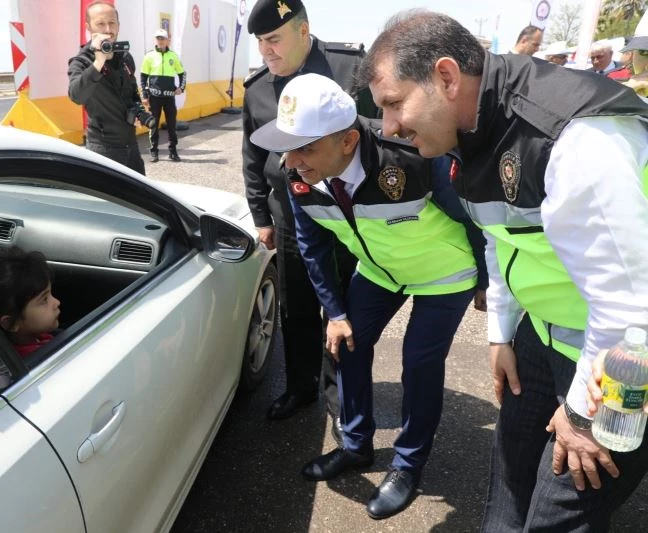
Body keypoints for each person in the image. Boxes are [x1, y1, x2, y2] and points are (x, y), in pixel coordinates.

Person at [359, 9, 648, 531]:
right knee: (506, 499)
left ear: (447, 77)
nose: (389, 127)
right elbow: (502, 237)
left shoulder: (571, 138)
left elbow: (632, 306)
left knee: (557, 517)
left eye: (394, 104)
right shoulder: (473, 128)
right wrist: (501, 333)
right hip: (544, 334)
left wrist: (584, 413)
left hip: (627, 359)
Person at [250, 72, 487, 519]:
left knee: (418, 362)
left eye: (306, 146)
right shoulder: (299, 176)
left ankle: (407, 464)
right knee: (346, 344)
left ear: (347, 142)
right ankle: (356, 445)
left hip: (443, 273)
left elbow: (474, 217)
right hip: (380, 271)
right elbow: (313, 245)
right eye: (288, 145)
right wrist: (336, 311)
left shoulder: (414, 158)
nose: (294, 159)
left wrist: (486, 281)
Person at [242, 0, 377, 441]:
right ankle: (300, 388)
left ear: (303, 31)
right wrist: (261, 215)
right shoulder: (258, 88)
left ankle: (341, 402)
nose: (266, 51)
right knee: (296, 309)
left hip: (348, 218)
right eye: (261, 42)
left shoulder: (350, 68)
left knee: (342, 313)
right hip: (291, 216)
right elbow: (252, 158)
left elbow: (377, 135)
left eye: (274, 39)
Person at [68, 1, 149, 174]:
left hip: (131, 146)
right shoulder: (82, 61)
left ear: (118, 25)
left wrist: (139, 110)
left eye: (112, 23)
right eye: (100, 24)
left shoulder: (126, 57)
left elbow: (132, 92)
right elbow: (76, 95)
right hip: (103, 149)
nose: (107, 30)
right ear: (88, 27)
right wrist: (98, 62)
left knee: (139, 198)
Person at [0, 248, 61, 358]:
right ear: (10, 322)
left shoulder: (37, 337)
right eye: (44, 300)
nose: (57, 302)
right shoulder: (36, 360)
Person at [140, 28, 186, 163]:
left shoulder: (173, 56)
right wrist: (144, 94)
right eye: (158, 38)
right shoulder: (149, 56)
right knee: (153, 125)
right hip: (154, 98)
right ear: (156, 40)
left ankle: (173, 152)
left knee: (172, 125)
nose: (160, 41)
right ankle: (154, 152)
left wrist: (181, 88)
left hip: (169, 97)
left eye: (163, 38)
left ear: (168, 40)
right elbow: (143, 77)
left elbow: (182, 73)